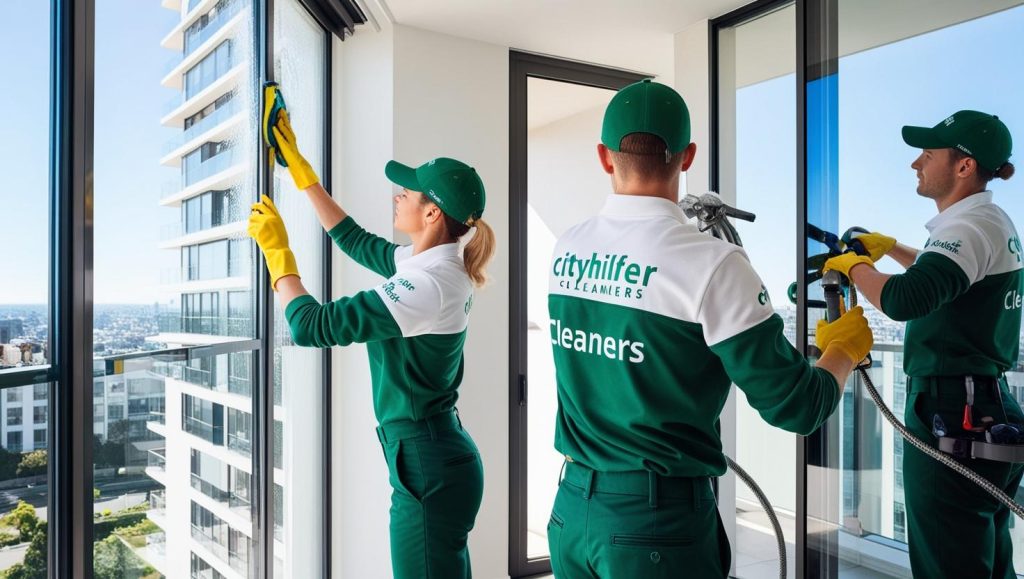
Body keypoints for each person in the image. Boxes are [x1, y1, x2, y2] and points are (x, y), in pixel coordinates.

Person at [545, 79, 874, 578]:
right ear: (688, 156)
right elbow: (799, 405)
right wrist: (844, 348)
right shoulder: (713, 265)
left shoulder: (567, 248)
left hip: (572, 513)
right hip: (654, 529)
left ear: (605, 157)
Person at [248, 109, 496, 578]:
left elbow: (312, 325)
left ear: (431, 213)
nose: (397, 194)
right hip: (434, 457)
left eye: (408, 191)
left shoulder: (430, 284)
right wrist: (303, 175)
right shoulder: (429, 264)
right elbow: (357, 241)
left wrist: (278, 255)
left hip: (427, 463)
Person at [823, 110, 1019, 578]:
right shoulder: (989, 222)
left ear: (964, 166)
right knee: (989, 561)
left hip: (952, 411)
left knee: (947, 562)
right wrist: (890, 247)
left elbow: (906, 297)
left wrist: (853, 267)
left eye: (928, 155)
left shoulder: (967, 227)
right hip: (986, 406)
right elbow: (947, 278)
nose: (916, 164)